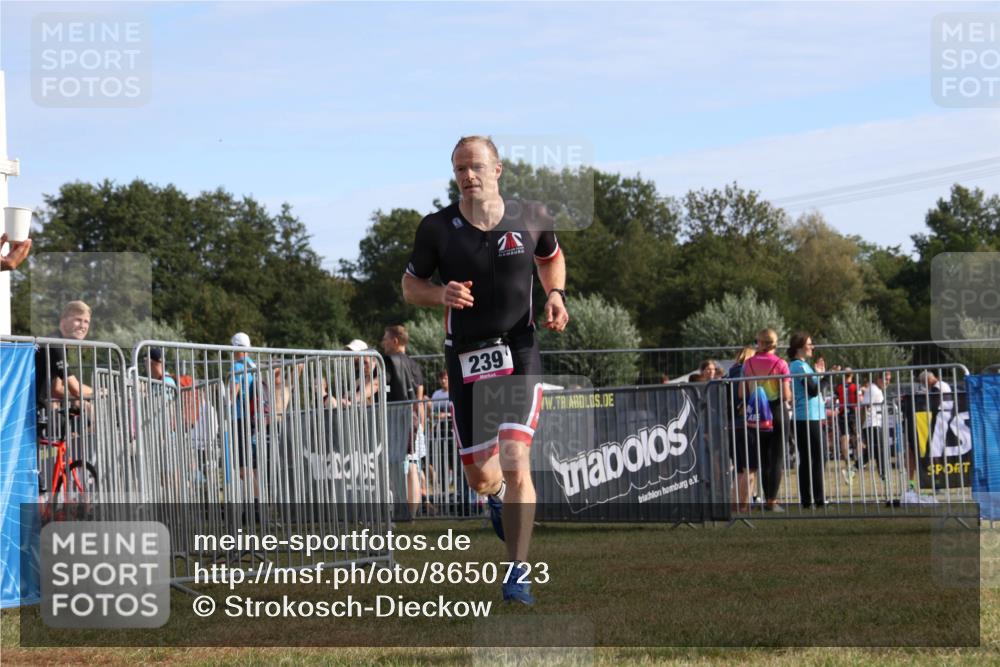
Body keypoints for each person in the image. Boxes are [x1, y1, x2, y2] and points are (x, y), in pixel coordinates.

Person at [401, 135, 569, 605]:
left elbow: (551, 260)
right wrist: (441, 294)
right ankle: (494, 499)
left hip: (520, 348)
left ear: (498, 169)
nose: (467, 176)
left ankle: (518, 572)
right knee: (480, 475)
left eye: (475, 166)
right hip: (466, 355)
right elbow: (411, 285)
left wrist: (555, 295)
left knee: (516, 458)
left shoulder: (532, 215)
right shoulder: (437, 228)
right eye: (459, 169)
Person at [742, 328, 792, 512]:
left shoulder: (748, 363)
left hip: (758, 412)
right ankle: (772, 500)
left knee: (763, 458)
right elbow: (786, 395)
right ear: (774, 343)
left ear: (759, 342)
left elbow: (744, 391)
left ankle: (765, 498)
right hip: (776, 411)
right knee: (777, 456)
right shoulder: (780, 363)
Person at [382, 324, 429, 519]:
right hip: (414, 419)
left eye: (385, 338)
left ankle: (400, 511)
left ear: (395, 341)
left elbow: (378, 385)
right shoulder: (414, 364)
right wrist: (422, 425)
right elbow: (420, 396)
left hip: (396, 418)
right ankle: (412, 514)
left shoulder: (389, 361)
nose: (382, 343)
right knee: (412, 465)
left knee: (394, 465)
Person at [35, 301, 97, 437]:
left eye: (86, 322)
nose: (83, 326)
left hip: (39, 408)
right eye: (78, 320)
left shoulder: (60, 343)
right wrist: (99, 391)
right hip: (32, 411)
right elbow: (75, 389)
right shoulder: (55, 344)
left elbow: (56, 389)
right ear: (63, 322)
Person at [787, 333, 826, 509]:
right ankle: (814, 500)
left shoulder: (803, 366)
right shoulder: (798, 366)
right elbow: (812, 390)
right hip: (806, 417)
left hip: (811, 416)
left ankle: (811, 499)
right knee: (814, 458)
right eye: (810, 344)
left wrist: (819, 374)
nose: (813, 347)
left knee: (815, 458)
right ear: (800, 346)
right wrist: (826, 376)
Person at [726, 346, 762, 513]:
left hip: (732, 425)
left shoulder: (728, 374)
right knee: (751, 468)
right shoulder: (747, 373)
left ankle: (734, 503)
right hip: (747, 423)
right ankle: (744, 505)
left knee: (740, 469)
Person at [229, 332, 260, 519]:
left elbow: (232, 396)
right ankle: (257, 508)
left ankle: (251, 509)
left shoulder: (238, 367)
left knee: (243, 469)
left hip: (240, 419)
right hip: (252, 420)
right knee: (253, 468)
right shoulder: (253, 366)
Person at [834, 368, 859, 484]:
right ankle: (856, 463)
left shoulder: (838, 386)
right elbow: (859, 400)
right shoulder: (855, 386)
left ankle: (848, 465)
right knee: (857, 437)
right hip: (852, 413)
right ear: (852, 375)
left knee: (844, 439)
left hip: (842, 414)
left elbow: (835, 400)